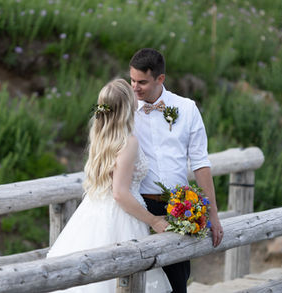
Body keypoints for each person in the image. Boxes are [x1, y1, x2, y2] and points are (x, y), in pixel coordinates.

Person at [46, 79, 171, 293]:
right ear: (127, 105)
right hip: (121, 218)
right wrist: (154, 221)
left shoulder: (101, 134)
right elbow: (120, 194)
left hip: (93, 211)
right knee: (124, 278)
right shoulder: (128, 142)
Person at [130, 48, 224, 293]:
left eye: (142, 82)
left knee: (176, 284)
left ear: (160, 79)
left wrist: (212, 214)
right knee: (139, 283)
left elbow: (201, 163)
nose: (135, 88)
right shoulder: (125, 111)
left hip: (178, 208)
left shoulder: (188, 108)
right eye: (131, 80)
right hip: (138, 208)